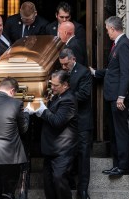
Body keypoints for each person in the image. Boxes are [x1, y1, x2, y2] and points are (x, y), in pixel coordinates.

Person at [89, 16, 129, 176]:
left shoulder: (124, 45)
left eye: (107, 30)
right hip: (112, 96)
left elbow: (126, 73)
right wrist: (95, 72)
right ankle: (117, 165)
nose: (107, 33)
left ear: (113, 29)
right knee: (114, 132)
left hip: (118, 98)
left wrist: (121, 96)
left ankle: (124, 166)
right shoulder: (117, 45)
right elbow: (112, 70)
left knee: (120, 132)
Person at [34, 70, 79, 199]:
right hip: (51, 149)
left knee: (59, 180)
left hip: (63, 150)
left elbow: (58, 121)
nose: (52, 87)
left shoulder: (69, 100)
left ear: (65, 85)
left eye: (55, 85)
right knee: (48, 184)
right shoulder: (56, 96)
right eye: (51, 84)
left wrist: (43, 111)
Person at [59, 48, 92, 199]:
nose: (64, 67)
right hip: (67, 122)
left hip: (82, 120)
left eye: (66, 64)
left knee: (83, 155)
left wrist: (65, 98)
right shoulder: (61, 73)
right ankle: (70, 181)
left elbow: (84, 94)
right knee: (68, 153)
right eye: (62, 65)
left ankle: (83, 189)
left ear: (73, 59)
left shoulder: (84, 72)